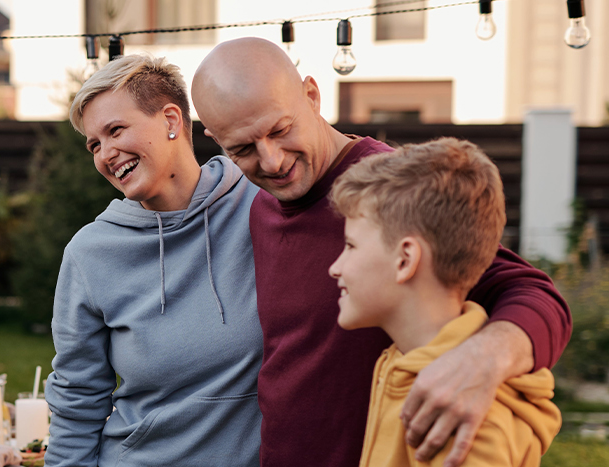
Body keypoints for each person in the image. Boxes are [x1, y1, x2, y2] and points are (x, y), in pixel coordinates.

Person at [190, 37, 571, 467]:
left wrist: (483, 359)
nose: (272, 161)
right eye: (242, 148)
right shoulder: (261, 208)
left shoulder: (385, 191)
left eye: (280, 130)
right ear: (215, 139)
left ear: (311, 96)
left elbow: (532, 293)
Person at [44, 54, 262, 467]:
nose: (106, 153)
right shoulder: (90, 254)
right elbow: (77, 399)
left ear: (171, 120)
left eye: (116, 130)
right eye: (95, 144)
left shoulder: (259, 206)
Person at [328, 138, 561, 466]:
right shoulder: (402, 361)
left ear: (405, 259)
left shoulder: (461, 420)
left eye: (350, 246)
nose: (335, 267)